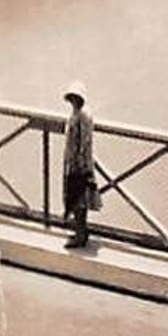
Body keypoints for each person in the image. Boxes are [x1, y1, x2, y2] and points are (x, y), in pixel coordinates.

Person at [61, 81, 97, 249]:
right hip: (75, 162)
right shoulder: (78, 113)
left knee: (78, 200)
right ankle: (80, 231)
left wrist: (79, 164)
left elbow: (84, 141)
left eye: (75, 97)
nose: (73, 101)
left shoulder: (82, 115)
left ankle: (80, 235)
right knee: (77, 200)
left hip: (79, 165)